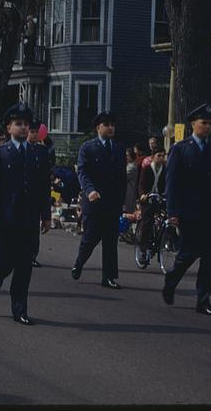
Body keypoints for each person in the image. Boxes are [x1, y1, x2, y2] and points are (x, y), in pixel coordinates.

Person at [0, 103, 51, 325]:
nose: (23, 128)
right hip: (5, 217)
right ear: (9, 128)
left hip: (28, 218)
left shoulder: (39, 154)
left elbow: (43, 187)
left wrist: (46, 215)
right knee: (3, 262)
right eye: (18, 124)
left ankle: (19, 309)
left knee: (24, 265)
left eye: (26, 124)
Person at [162, 102, 211, 316]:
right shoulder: (180, 149)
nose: (207, 127)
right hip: (189, 212)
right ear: (193, 124)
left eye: (210, 123)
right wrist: (173, 213)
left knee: (210, 259)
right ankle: (171, 280)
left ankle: (204, 300)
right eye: (203, 123)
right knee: (187, 254)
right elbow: (172, 184)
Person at [71, 111, 127, 289]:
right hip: (94, 201)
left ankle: (109, 276)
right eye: (107, 125)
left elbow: (121, 177)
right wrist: (89, 190)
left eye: (112, 125)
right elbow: (83, 172)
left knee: (111, 241)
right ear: (98, 128)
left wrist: (123, 201)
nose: (111, 128)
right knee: (90, 238)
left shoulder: (118, 148)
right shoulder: (88, 148)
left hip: (112, 202)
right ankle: (79, 263)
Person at [136, 146, 167, 267]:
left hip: (160, 198)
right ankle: (143, 250)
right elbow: (141, 184)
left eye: (163, 156)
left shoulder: (165, 169)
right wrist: (143, 194)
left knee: (168, 216)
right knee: (147, 221)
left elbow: (168, 184)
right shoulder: (147, 169)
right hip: (148, 199)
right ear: (153, 157)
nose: (161, 158)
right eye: (159, 155)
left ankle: (166, 239)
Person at [27, 118, 50, 268]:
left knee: (34, 230)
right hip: (22, 196)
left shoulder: (42, 151)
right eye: (32, 132)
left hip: (36, 196)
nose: (34, 135)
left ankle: (32, 255)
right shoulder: (22, 149)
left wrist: (46, 214)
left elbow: (45, 179)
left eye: (36, 132)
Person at [123, 148, 139, 214]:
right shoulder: (128, 165)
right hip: (127, 191)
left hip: (129, 192)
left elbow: (124, 178)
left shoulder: (132, 167)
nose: (126, 157)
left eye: (127, 155)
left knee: (128, 211)